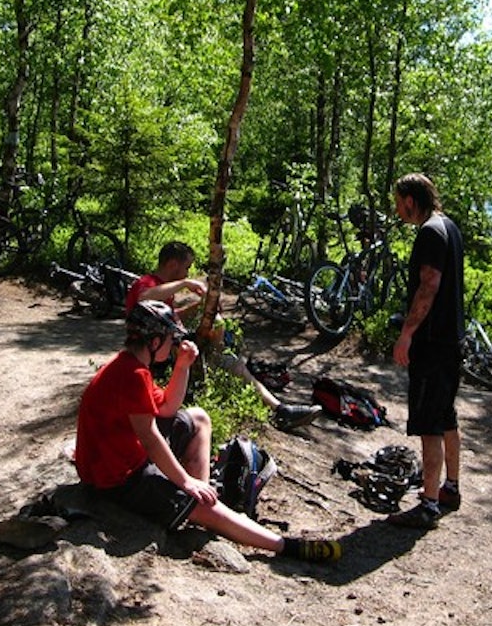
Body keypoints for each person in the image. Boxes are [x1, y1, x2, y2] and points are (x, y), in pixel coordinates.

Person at [74, 298, 341, 563]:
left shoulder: (131, 366)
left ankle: (202, 498)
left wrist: (182, 366)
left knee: (199, 418)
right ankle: (284, 545)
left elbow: (167, 408)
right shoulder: (131, 375)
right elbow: (150, 437)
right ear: (154, 341)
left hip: (123, 455)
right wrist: (184, 482)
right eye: (170, 338)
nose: (174, 343)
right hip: (118, 479)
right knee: (202, 502)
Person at [126, 241, 322, 433]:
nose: (187, 272)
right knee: (231, 363)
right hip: (158, 354)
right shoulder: (147, 283)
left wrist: (201, 308)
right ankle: (278, 409)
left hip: (169, 348)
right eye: (186, 267)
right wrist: (184, 283)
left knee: (229, 349)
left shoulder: (163, 290)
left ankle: (279, 408)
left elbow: (173, 316)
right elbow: (144, 298)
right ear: (172, 265)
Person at [388, 172, 465, 528]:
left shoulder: (430, 232)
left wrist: (407, 333)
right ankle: (450, 487)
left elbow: (429, 285)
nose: (397, 208)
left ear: (410, 200)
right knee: (446, 415)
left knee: (429, 424)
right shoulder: (448, 226)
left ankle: (429, 504)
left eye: (398, 201)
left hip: (433, 343)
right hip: (452, 340)